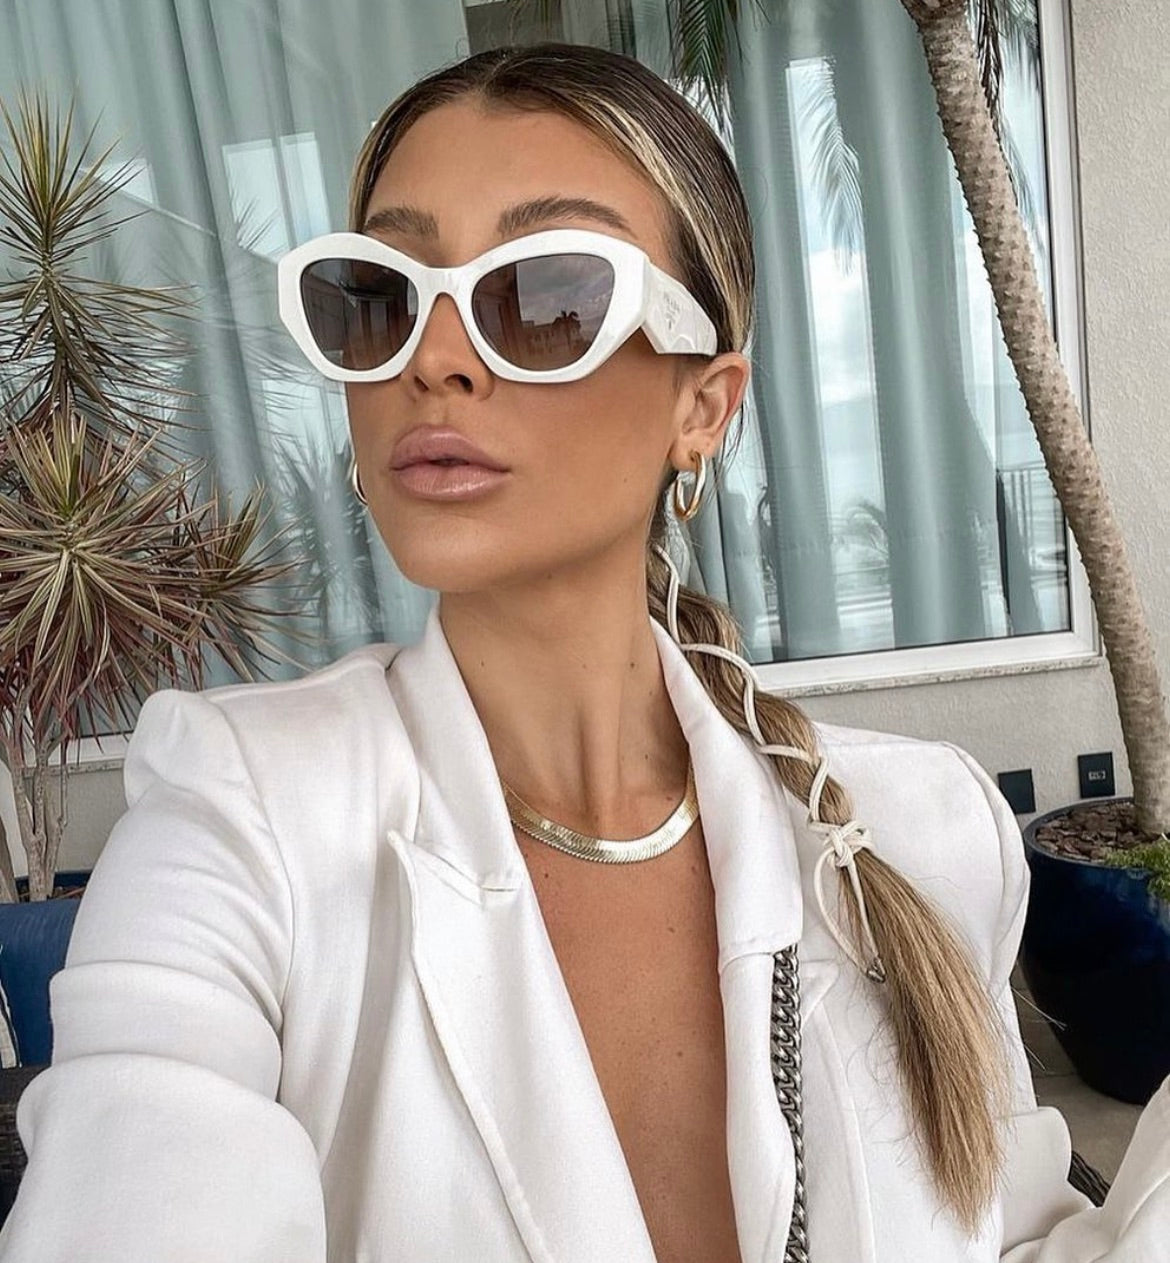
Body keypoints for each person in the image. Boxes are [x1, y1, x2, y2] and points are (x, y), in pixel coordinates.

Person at [2, 41, 1167, 1263]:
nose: (434, 358)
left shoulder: (917, 830)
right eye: (381, 296)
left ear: (702, 406)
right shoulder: (241, 828)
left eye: (546, 297)